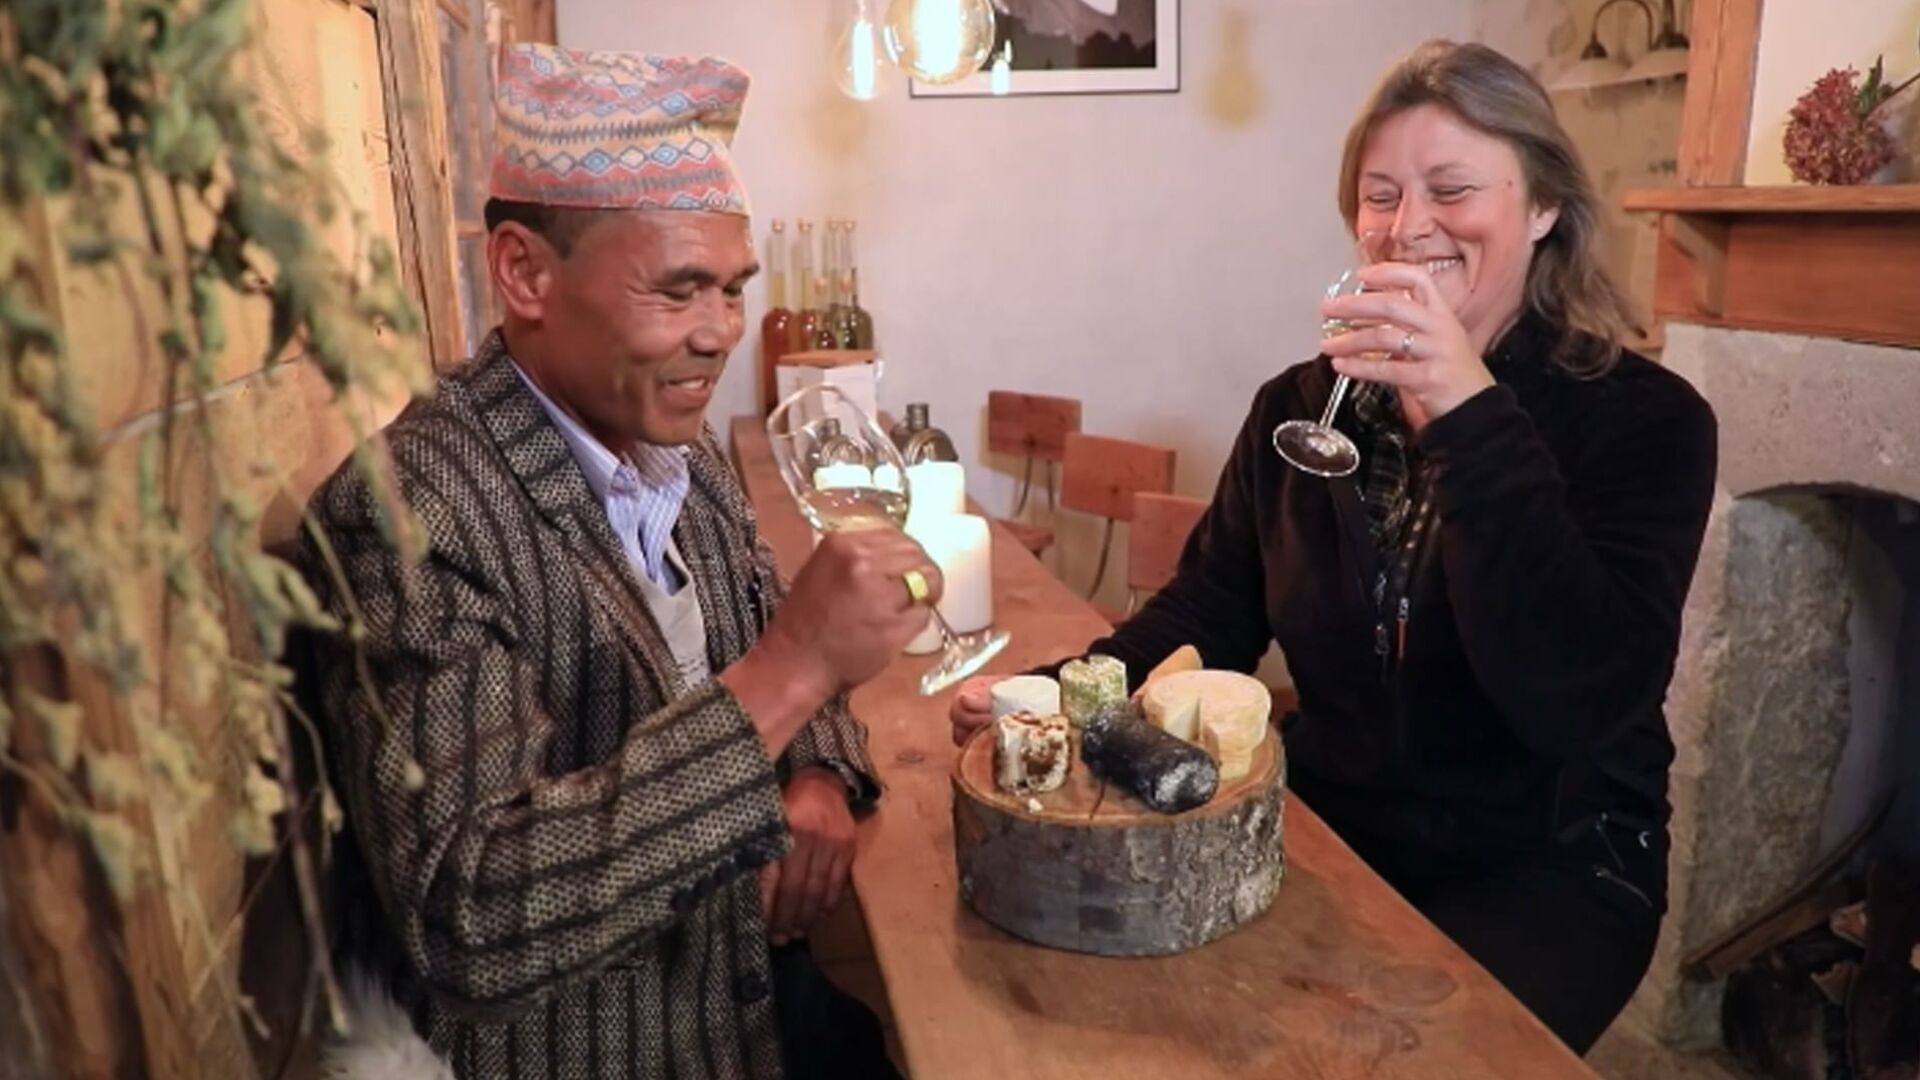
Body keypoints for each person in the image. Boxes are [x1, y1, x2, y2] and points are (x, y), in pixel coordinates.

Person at [950, 39, 1717, 1054]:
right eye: (1381, 195)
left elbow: (1573, 696)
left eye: (1452, 189)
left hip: (1553, 862)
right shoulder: (1302, 408)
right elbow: (1210, 612)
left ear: (1543, 211)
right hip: (1331, 815)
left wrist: (1464, 409)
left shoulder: (1647, 422)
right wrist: (1059, 690)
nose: (1409, 227)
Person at [303, 45, 931, 1079]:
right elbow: (475, 909)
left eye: (732, 291)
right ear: (525, 273)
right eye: (680, 291)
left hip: (748, 1009)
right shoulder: (416, 510)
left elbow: (767, 614)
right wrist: (793, 675)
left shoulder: (671, 447)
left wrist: (818, 769)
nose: (719, 334)